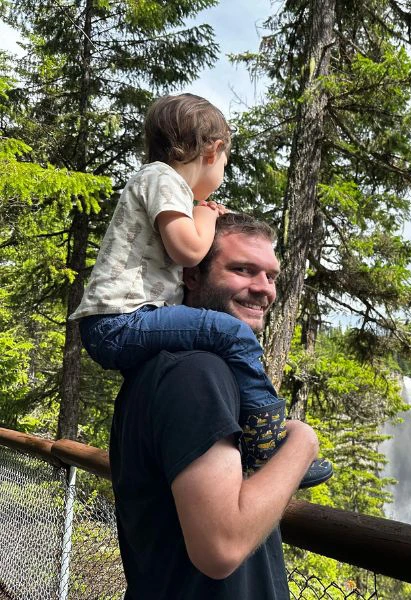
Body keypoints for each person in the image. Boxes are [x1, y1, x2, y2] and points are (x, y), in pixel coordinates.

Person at [70, 93, 330, 486]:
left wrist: (200, 211)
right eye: (226, 161)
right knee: (231, 332)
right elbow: (190, 251)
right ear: (214, 149)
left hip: (121, 322)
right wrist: (205, 214)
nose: (223, 170)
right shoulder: (162, 177)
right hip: (120, 321)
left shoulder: (160, 184)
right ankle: (269, 441)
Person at [110, 212, 318, 598]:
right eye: (242, 269)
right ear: (191, 276)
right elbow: (221, 547)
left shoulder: (162, 366)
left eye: (271, 276)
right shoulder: (196, 373)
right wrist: (303, 442)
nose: (264, 289)